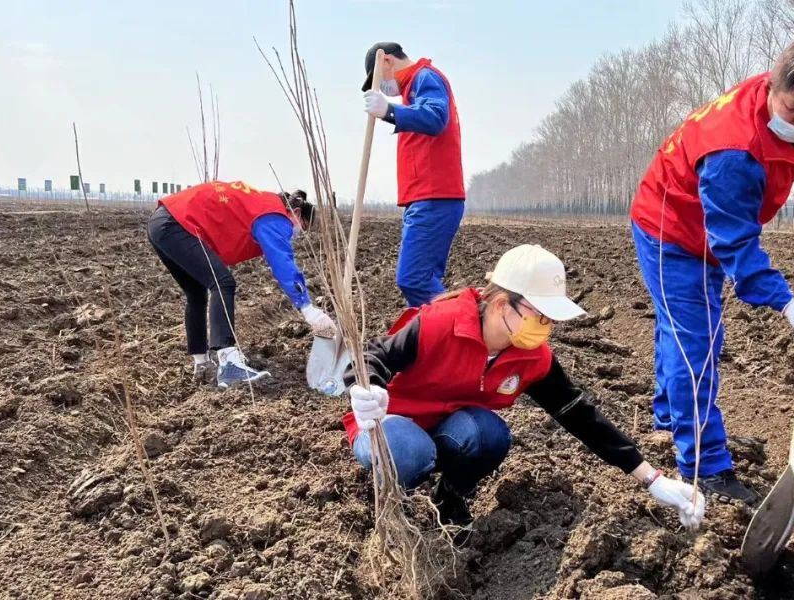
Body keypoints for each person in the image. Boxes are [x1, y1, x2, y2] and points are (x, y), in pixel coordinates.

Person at [629, 38, 794, 505]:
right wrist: (787, 303)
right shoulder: (733, 151)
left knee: (682, 335)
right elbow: (735, 246)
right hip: (671, 232)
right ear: (773, 87)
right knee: (696, 346)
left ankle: (668, 424)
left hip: (701, 232)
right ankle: (705, 468)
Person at [342, 245, 706, 530]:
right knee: (410, 450)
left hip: (447, 429)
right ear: (502, 304)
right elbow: (374, 355)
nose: (545, 327)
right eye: (540, 315)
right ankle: (391, 510)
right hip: (390, 426)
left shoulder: (532, 357)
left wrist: (652, 479)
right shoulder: (441, 323)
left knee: (490, 434)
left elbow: (579, 414)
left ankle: (449, 499)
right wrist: (367, 390)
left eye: (551, 318)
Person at [147, 181, 337, 390]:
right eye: (303, 226)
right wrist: (308, 309)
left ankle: (201, 364)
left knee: (196, 292)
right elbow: (282, 262)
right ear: (296, 212)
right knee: (223, 283)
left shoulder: (262, 204)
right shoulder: (275, 216)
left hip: (162, 222)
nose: (298, 233)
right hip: (178, 224)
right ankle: (229, 363)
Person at [360, 42, 465, 308]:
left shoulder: (424, 76)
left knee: (413, 280)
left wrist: (390, 111)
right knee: (423, 283)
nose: (382, 87)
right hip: (426, 198)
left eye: (377, 79)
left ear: (386, 62)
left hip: (433, 197)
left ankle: (455, 336)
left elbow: (435, 117)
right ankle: (427, 340)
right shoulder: (412, 90)